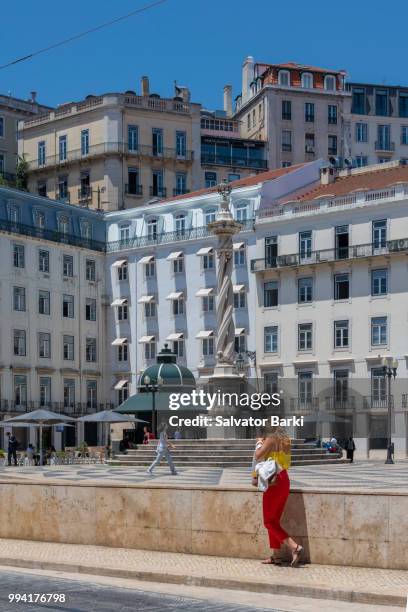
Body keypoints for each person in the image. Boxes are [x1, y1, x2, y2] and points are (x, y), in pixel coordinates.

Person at [254, 426, 303, 567]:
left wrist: (259, 442)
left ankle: (294, 547)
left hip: (273, 480)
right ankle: (276, 556)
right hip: (284, 479)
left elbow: (258, 455)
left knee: (269, 522)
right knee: (273, 521)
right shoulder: (286, 440)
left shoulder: (272, 438)